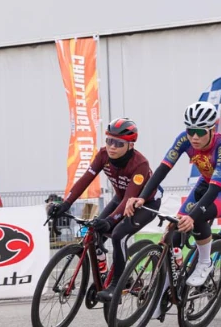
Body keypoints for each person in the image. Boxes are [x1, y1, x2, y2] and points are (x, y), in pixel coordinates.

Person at [125, 101, 221, 287]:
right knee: (174, 230)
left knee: (197, 217)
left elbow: (214, 190)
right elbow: (163, 169)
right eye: (191, 130)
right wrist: (142, 196)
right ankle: (167, 288)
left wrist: (193, 216)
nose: (194, 137)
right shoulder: (184, 139)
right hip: (206, 182)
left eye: (200, 132)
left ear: (212, 130)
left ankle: (205, 262)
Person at [48, 118, 161, 302]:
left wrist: (110, 221)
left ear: (130, 145)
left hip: (144, 203)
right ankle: (103, 274)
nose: (112, 147)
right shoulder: (103, 155)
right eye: (109, 141)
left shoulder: (140, 164)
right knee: (94, 231)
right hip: (121, 198)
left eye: (118, 143)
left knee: (118, 235)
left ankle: (116, 284)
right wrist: (66, 204)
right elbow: (85, 180)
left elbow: (130, 197)